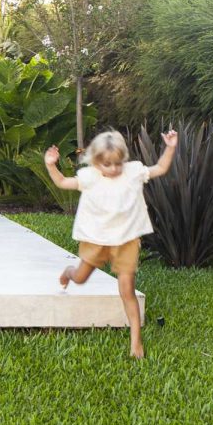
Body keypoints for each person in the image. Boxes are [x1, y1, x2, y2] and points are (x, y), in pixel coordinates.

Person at [44, 127, 178, 359]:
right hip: (95, 239)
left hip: (126, 240)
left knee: (127, 289)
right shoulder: (89, 177)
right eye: (108, 164)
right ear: (96, 162)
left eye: (118, 163)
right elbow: (63, 182)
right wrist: (50, 164)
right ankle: (69, 272)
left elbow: (161, 168)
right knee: (81, 278)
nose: (114, 169)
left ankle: (136, 343)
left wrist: (170, 147)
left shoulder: (133, 172)